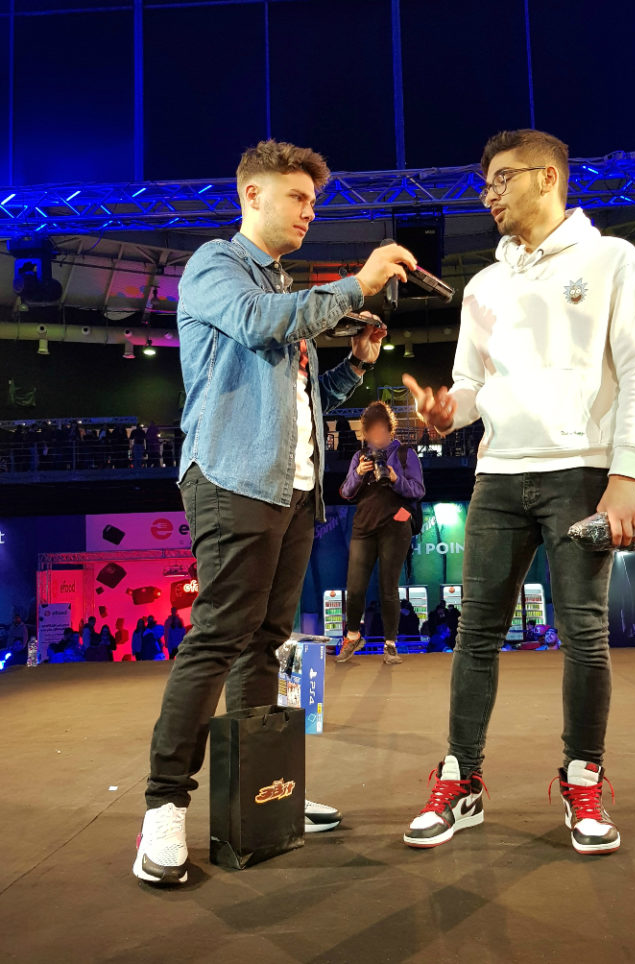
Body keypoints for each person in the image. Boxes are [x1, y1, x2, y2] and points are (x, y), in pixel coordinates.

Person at [133, 139, 418, 885]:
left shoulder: (282, 287)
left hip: (293, 489)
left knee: (264, 641)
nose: (309, 211)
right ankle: (164, 805)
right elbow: (262, 323)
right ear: (252, 196)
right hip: (231, 477)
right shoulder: (215, 267)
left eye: (313, 200)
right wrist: (357, 284)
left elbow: (303, 395)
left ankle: (261, 789)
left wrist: (355, 364)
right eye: (297, 197)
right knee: (219, 636)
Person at [401, 128, 635, 854]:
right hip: (497, 475)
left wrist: (626, 475)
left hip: (582, 472)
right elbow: (470, 384)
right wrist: (447, 413)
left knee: (584, 635)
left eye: (503, 179)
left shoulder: (613, 260)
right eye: (485, 183)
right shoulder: (484, 285)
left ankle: (583, 779)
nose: (490, 195)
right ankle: (462, 780)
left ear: (548, 177)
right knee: (474, 634)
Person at [336, 401, 425, 666]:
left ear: (390, 429)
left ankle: (390, 645)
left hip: (395, 527)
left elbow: (418, 490)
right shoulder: (360, 457)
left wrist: (396, 479)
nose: (375, 435)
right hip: (363, 527)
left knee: (388, 587)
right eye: (370, 431)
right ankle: (353, 636)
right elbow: (346, 492)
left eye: (379, 429)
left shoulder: (405, 454)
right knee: (354, 588)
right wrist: (358, 474)